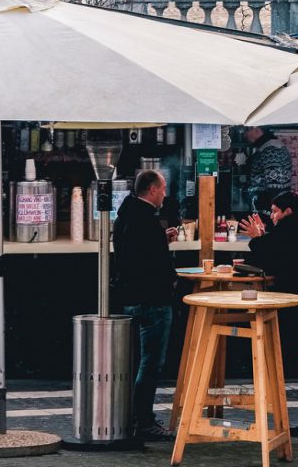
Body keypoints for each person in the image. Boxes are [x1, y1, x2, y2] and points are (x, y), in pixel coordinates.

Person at [241, 191, 298, 438]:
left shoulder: (290, 230)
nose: (273, 215)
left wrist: (258, 238)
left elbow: (271, 258)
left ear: (288, 211)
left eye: (276, 211)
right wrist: (263, 237)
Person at [113, 169, 177, 443]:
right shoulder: (148, 221)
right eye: (162, 189)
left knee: (133, 362)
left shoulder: (125, 216)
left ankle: (132, 417)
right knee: (150, 364)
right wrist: (172, 280)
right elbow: (154, 264)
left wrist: (162, 240)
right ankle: (144, 420)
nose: (165, 193)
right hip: (153, 300)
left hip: (129, 298)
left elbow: (135, 253)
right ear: (152, 190)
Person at [244, 127, 293, 212]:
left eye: (247, 130)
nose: (245, 134)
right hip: (267, 208)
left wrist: (271, 213)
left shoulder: (271, 150)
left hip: (267, 210)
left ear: (257, 130)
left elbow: (275, 186)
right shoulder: (269, 147)